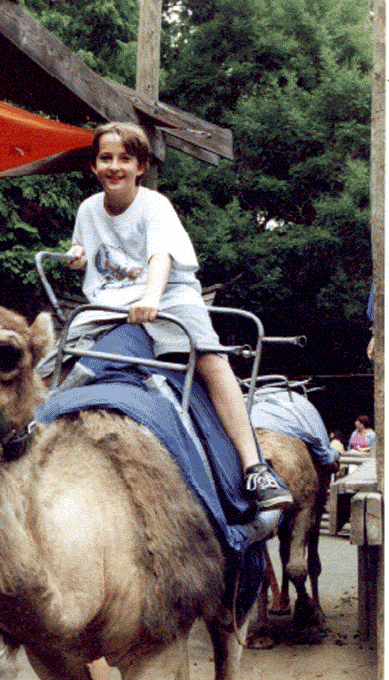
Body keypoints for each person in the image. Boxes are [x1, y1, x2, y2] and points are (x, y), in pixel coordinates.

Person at [59, 121, 293, 512]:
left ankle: (254, 466)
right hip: (111, 300)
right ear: (94, 165)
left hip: (166, 294)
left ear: (140, 166)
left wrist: (151, 298)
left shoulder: (154, 205)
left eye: (124, 159)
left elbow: (159, 257)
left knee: (208, 356)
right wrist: (77, 257)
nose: (114, 166)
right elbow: (87, 250)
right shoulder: (88, 208)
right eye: (106, 158)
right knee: (57, 357)